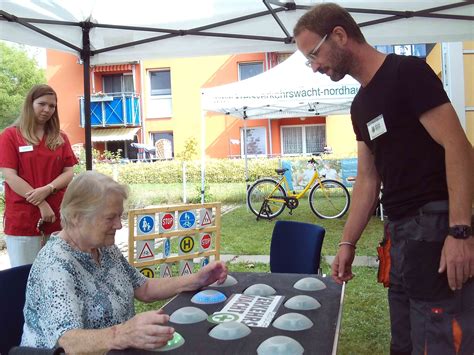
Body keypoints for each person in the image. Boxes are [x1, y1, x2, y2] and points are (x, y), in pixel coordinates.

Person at [294, 4, 473, 355]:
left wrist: (460, 232)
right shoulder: (360, 106)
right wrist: (347, 244)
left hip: (437, 229)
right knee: (404, 343)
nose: (314, 67)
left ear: (341, 36)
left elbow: (459, 147)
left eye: (313, 54)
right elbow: (366, 179)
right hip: (402, 237)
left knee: (438, 340)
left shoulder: (408, 73)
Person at [21, 171, 228, 353]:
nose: (119, 225)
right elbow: (67, 343)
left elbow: (144, 288)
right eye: (110, 218)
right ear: (76, 217)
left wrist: (197, 279)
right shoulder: (55, 265)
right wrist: (123, 334)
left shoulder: (103, 246)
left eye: (119, 216)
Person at [0, 84, 78, 267]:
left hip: (58, 218)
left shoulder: (60, 137)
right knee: (24, 277)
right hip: (24, 220)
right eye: (42, 104)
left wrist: (48, 188)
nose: (47, 109)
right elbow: (10, 176)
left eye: (52, 106)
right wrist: (41, 202)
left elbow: (69, 172)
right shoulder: (10, 136)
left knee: (57, 276)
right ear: (30, 104)